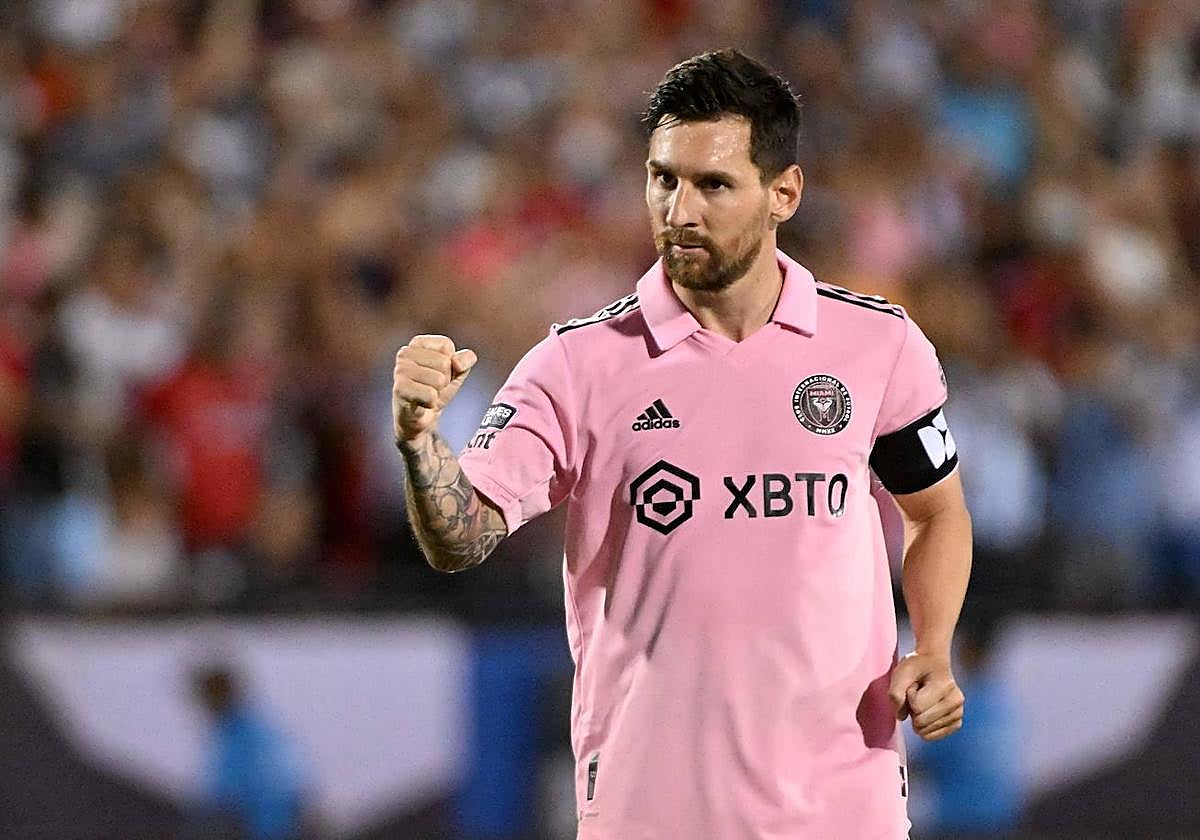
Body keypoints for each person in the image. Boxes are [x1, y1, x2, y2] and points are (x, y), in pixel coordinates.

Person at [393, 49, 972, 840]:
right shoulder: (577, 364)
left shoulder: (877, 346)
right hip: (651, 812)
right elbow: (460, 536)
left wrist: (933, 650)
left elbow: (935, 512)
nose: (679, 209)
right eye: (663, 178)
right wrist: (421, 443)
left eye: (713, 184)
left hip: (844, 813)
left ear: (784, 193)